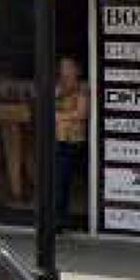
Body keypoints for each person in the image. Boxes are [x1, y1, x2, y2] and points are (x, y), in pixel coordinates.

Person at [52, 56, 91, 229]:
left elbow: (82, 113)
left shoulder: (82, 88)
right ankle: (59, 217)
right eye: (62, 67)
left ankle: (62, 218)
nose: (64, 71)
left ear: (77, 70)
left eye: (68, 67)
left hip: (74, 140)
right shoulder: (58, 88)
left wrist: (59, 117)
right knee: (59, 180)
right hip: (58, 138)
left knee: (65, 179)